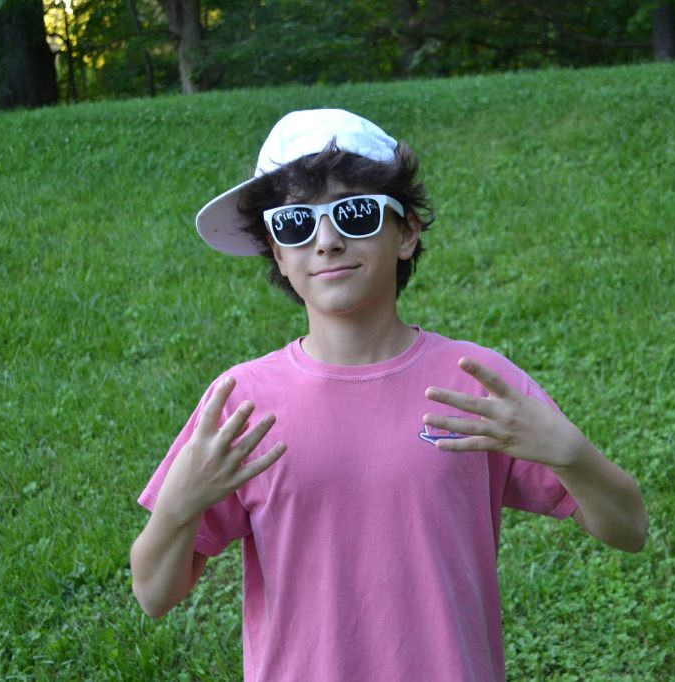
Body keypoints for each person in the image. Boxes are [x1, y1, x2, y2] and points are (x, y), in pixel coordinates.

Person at [130, 108, 648, 681]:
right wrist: (177, 506)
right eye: (295, 224)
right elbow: (154, 594)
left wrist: (571, 455)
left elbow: (629, 530)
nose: (326, 242)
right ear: (277, 252)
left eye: (354, 214)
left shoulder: (474, 381)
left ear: (405, 233)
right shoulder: (242, 402)